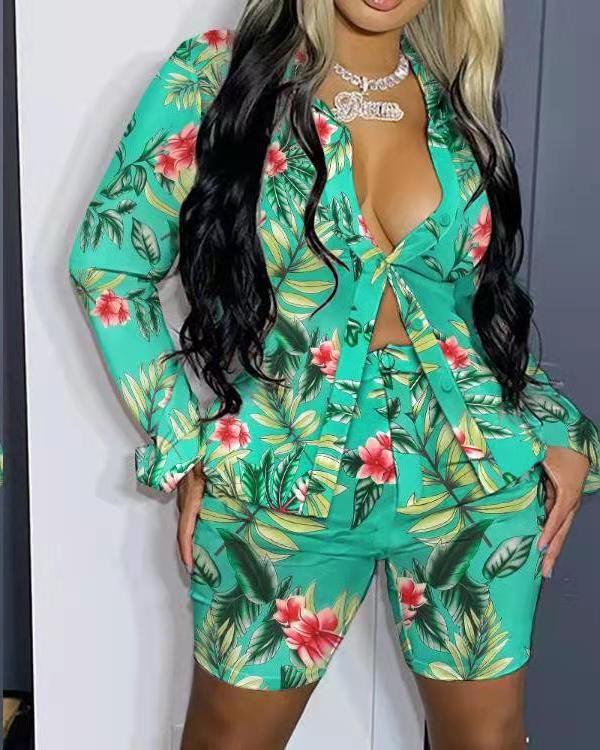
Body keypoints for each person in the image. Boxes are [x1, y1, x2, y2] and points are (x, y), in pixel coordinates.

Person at [68, 1, 600, 748]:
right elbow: (108, 263)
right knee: (228, 740)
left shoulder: (452, 96)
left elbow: (465, 309)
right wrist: (183, 439)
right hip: (281, 474)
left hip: (470, 477)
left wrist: (553, 423)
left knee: (489, 741)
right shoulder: (220, 75)